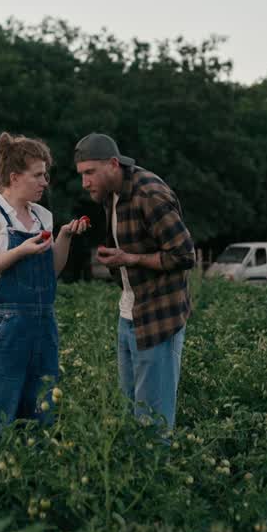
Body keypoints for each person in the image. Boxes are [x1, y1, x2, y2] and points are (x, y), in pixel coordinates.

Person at [0, 132, 89, 447]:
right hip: (6, 324)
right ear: (14, 177)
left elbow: (50, 272)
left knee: (42, 409)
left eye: (45, 174)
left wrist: (64, 237)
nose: (45, 181)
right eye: (37, 175)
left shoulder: (41, 216)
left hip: (43, 324)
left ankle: (34, 478)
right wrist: (19, 252)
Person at [76, 133, 194, 438]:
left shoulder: (149, 194)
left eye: (90, 172)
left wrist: (129, 257)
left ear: (113, 164)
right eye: (82, 174)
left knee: (153, 420)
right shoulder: (111, 194)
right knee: (129, 410)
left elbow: (183, 255)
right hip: (129, 314)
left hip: (158, 317)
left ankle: (157, 480)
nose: (85, 183)